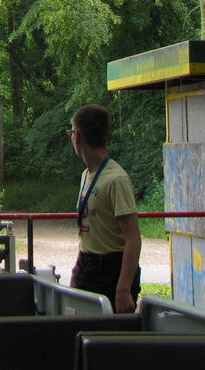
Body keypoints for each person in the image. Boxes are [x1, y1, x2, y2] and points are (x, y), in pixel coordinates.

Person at [68, 104, 141, 313]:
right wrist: (76, 271)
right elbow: (87, 231)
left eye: (71, 132)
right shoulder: (86, 175)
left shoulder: (116, 179)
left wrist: (123, 289)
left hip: (111, 269)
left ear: (77, 136)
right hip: (87, 265)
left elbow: (133, 238)